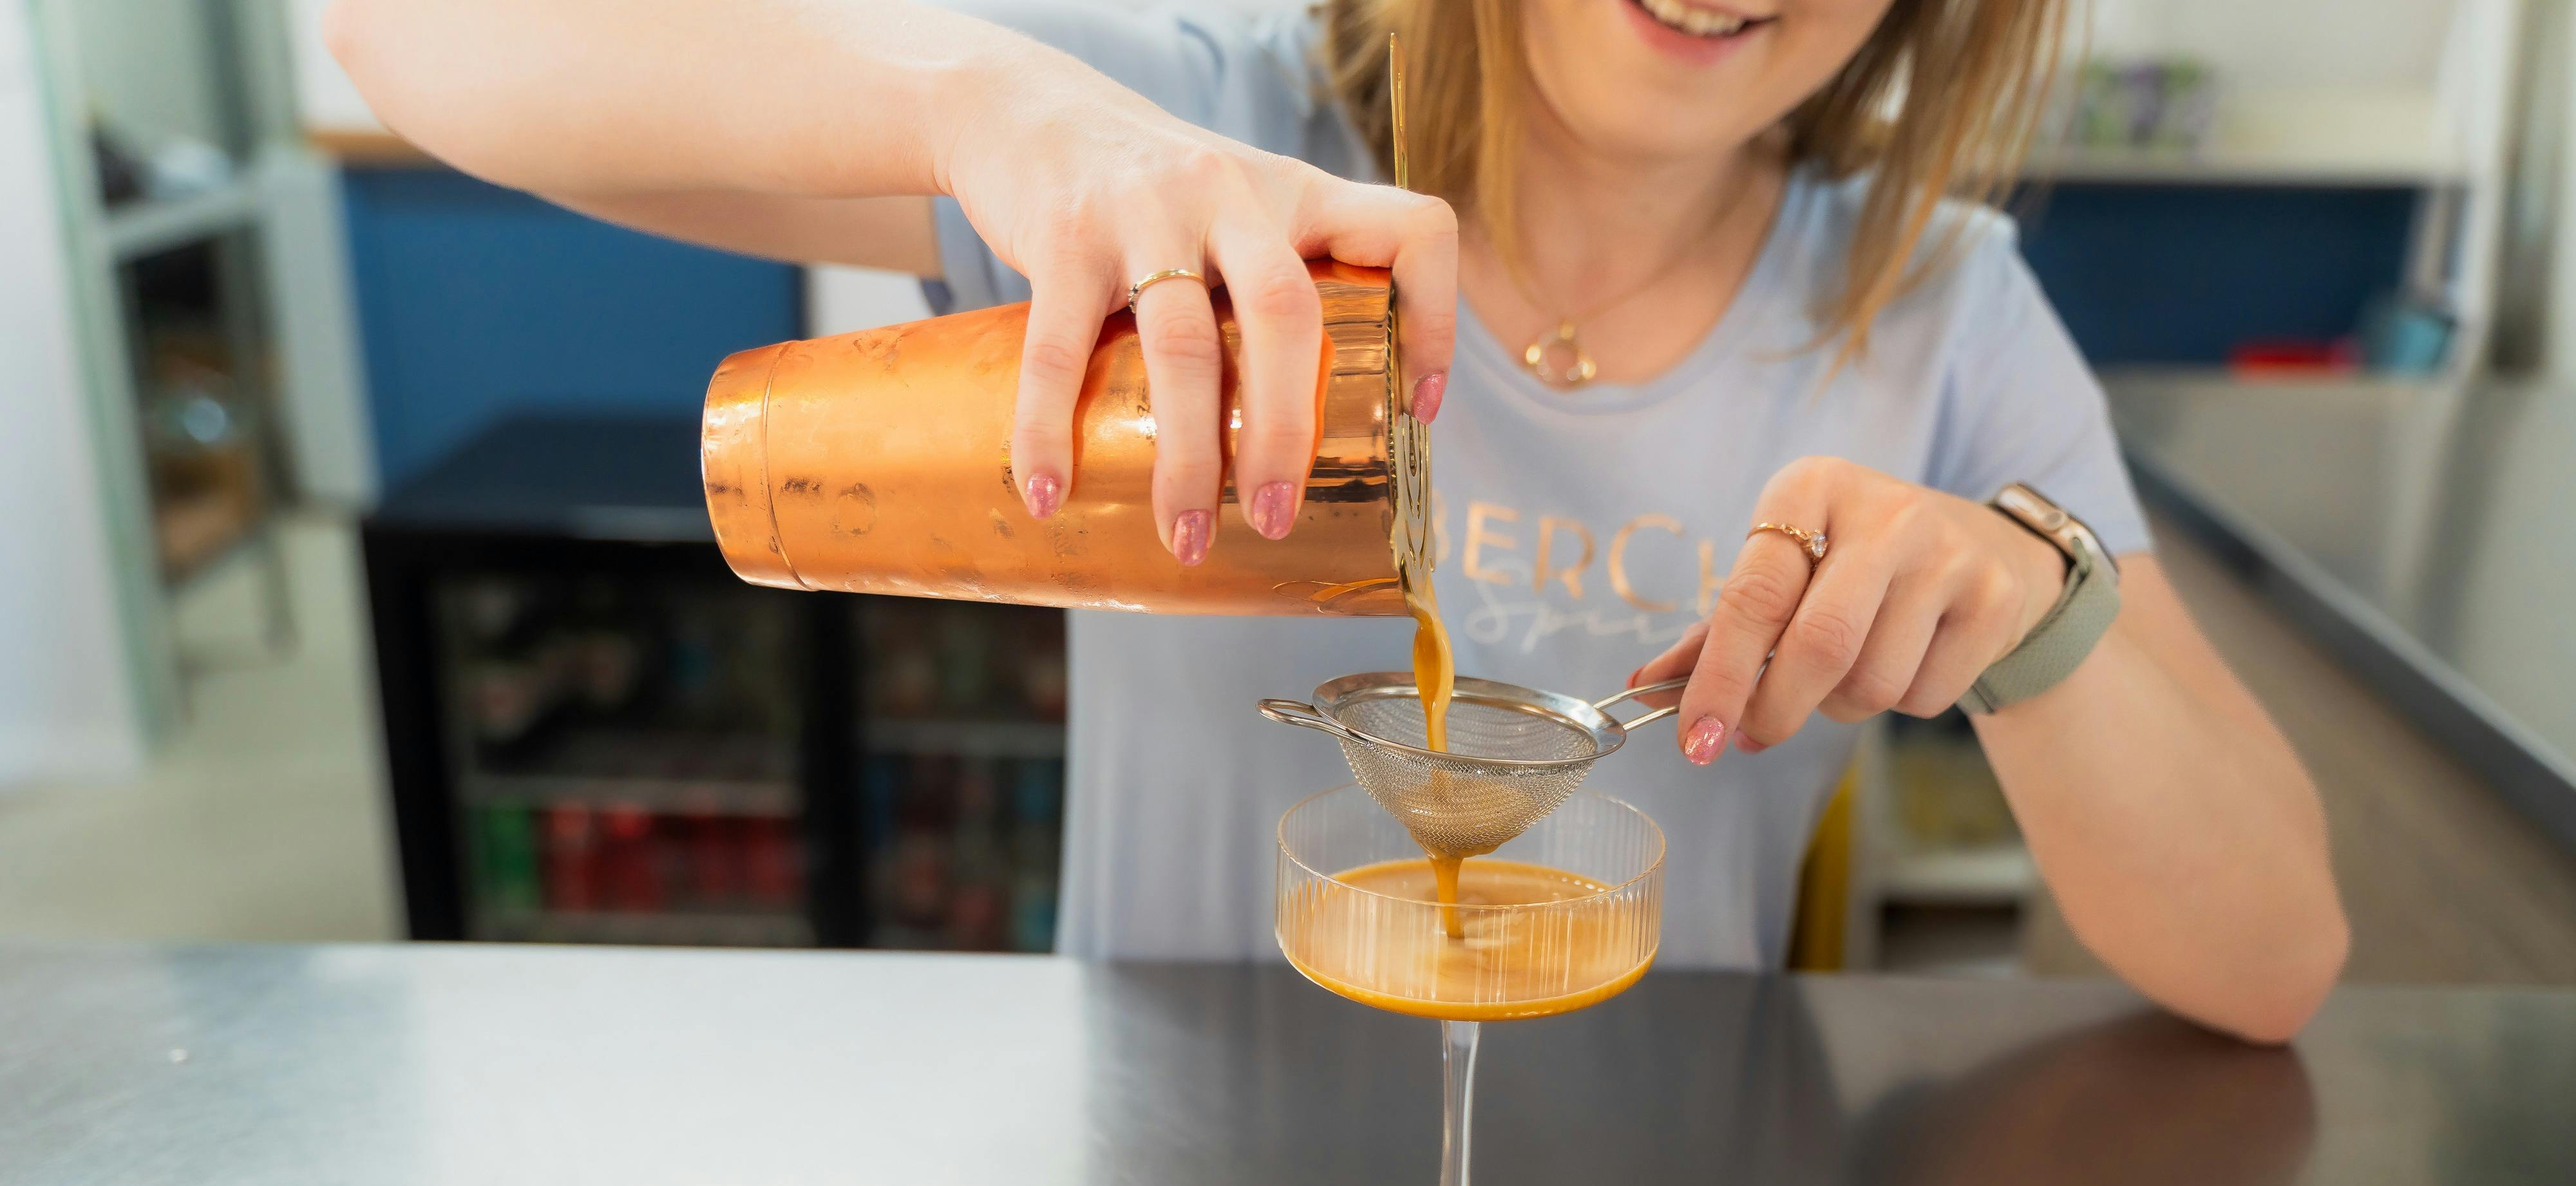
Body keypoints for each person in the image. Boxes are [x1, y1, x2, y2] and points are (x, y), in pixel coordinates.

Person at [328, 0, 2348, 1040]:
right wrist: (989, 107)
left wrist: (2037, 612)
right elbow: (422, 40)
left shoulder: (1942, 311)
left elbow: (2273, 957)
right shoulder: (1209, 135)